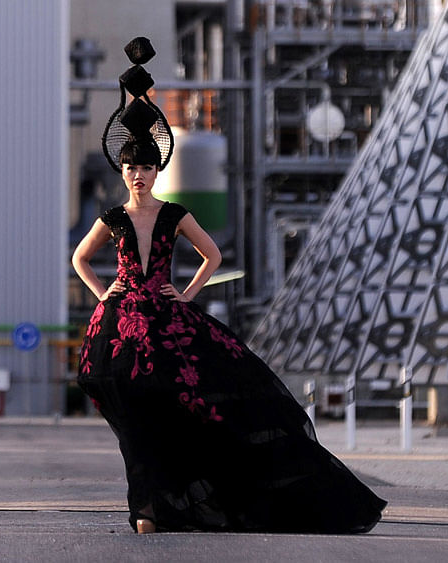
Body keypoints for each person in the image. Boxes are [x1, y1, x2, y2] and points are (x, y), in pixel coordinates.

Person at [73, 38, 387, 535]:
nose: (138, 175)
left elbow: (212, 255)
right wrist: (103, 293)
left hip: (167, 320)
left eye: (146, 168)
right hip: (122, 327)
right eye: (131, 168)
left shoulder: (174, 213)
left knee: (198, 410)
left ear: (157, 170)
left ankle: (158, 507)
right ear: (124, 170)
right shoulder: (113, 217)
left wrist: (188, 294)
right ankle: (150, 505)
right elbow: (80, 258)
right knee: (136, 422)